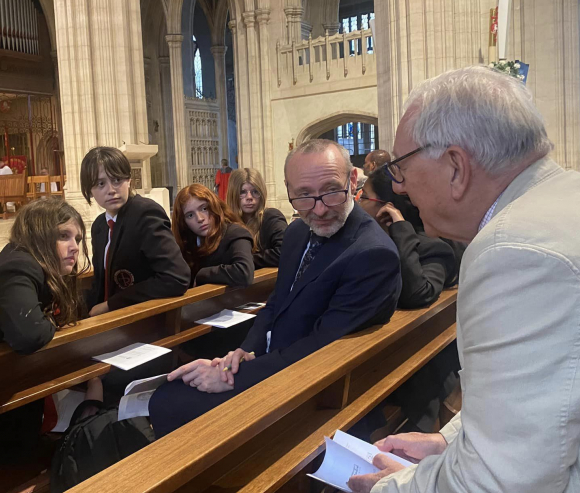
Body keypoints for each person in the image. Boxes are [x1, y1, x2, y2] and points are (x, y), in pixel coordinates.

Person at [348, 66, 580, 493]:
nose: (399, 188)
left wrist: (391, 487)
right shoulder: (575, 202)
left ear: (456, 167)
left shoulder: (515, 249)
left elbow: (497, 483)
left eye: (402, 168)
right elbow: (544, 394)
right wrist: (451, 439)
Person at [149, 139, 401, 436]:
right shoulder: (297, 231)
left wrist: (231, 376)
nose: (319, 210)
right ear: (288, 189)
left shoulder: (371, 253)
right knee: (168, 390)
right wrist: (242, 352)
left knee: (168, 403)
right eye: (304, 195)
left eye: (332, 191)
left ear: (353, 180)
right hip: (276, 364)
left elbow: (321, 348)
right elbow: (276, 302)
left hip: (316, 388)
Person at [0, 196, 89, 352]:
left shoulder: (51, 267)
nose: (75, 247)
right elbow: (30, 336)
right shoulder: (16, 268)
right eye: (63, 236)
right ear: (39, 235)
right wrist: (50, 320)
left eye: (77, 239)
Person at [80, 146, 190, 317]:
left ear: (129, 180)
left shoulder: (145, 214)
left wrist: (111, 305)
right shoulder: (99, 226)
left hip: (142, 318)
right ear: (90, 191)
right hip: (107, 319)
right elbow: (101, 284)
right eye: (101, 183)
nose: (111, 190)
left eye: (117, 180)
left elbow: (176, 278)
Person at [357, 168, 457, 309]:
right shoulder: (366, 240)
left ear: (388, 207)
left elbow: (418, 294)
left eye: (364, 197)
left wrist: (399, 227)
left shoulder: (433, 247)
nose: (357, 203)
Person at [173, 183, 254, 288]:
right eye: (190, 215)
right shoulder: (188, 243)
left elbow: (244, 273)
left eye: (204, 209)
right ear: (183, 222)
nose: (200, 219)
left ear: (214, 206)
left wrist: (203, 274)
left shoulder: (235, 233)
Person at [226, 168, 287, 268]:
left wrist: (244, 261)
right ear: (233, 194)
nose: (249, 197)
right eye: (242, 192)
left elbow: (284, 252)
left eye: (255, 191)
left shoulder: (271, 216)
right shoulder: (227, 224)